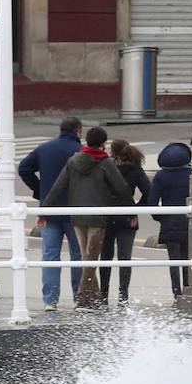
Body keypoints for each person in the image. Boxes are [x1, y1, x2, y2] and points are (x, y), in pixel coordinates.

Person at [42, 126, 133, 308]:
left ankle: (93, 298)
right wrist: (131, 211)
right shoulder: (105, 163)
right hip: (97, 218)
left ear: (86, 141)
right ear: (104, 143)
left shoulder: (73, 161)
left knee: (87, 258)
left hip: (77, 216)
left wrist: (44, 211)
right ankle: (84, 298)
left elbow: (58, 187)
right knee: (90, 259)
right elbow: (121, 188)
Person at [18, 115, 83, 312]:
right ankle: (78, 297)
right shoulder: (80, 151)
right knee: (78, 255)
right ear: (78, 131)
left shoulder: (44, 148)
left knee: (50, 256)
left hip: (49, 209)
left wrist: (39, 189)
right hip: (75, 211)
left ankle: (50, 300)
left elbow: (24, 168)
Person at [99, 139, 151, 306]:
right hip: (127, 217)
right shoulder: (136, 170)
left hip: (107, 216)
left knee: (105, 257)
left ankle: (103, 295)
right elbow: (148, 192)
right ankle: (123, 296)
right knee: (125, 258)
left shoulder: (106, 167)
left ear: (113, 152)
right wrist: (136, 208)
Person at [146, 140, 192, 298]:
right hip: (190, 222)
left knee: (173, 260)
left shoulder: (161, 176)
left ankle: (176, 293)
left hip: (170, 224)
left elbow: (152, 203)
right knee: (188, 259)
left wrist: (162, 218)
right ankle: (188, 291)